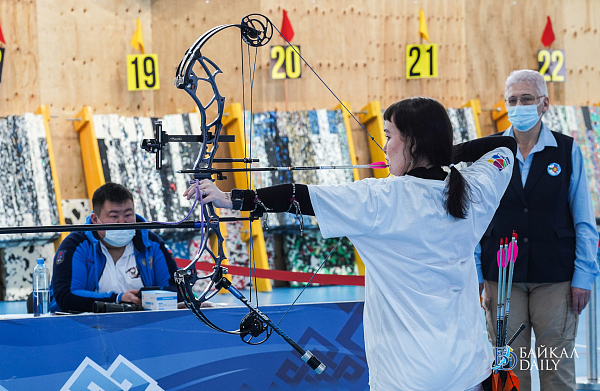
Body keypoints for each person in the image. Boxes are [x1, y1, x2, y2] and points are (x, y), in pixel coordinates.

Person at [185, 97, 518, 391]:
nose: (384, 147)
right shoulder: (474, 190)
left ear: (413, 143)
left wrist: (229, 198)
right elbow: (505, 146)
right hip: (468, 368)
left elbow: (297, 195)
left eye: (389, 136)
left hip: (409, 376)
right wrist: (441, 154)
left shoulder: (381, 199)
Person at [476, 69, 600, 391]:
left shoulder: (567, 151)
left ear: (544, 103)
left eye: (526, 99)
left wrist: (584, 276)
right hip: (502, 278)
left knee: (556, 370)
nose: (519, 106)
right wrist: (476, 273)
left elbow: (584, 221)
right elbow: (476, 217)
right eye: (512, 100)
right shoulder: (490, 153)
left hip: (556, 280)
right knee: (509, 373)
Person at [51, 182, 180, 313]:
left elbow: (177, 290)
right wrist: (118, 299)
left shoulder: (153, 244)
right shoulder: (75, 245)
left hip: (147, 323)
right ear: (95, 219)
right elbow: (66, 296)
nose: (122, 222)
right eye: (114, 216)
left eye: (128, 215)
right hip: (89, 324)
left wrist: (147, 299)